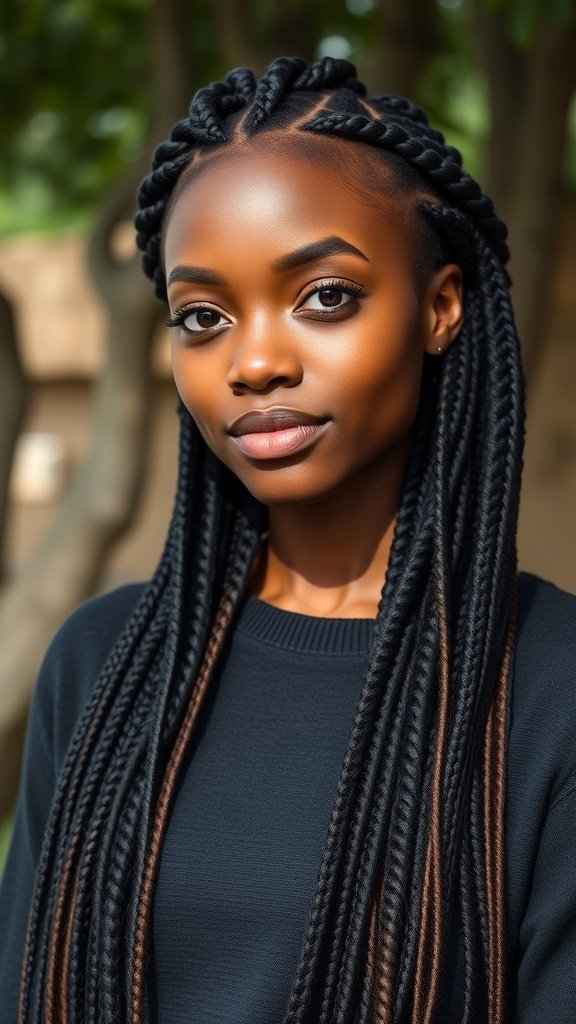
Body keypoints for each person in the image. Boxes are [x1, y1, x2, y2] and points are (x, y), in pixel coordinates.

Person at [1, 55, 575, 1024]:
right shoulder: (100, 665)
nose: (255, 360)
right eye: (204, 316)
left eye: (324, 297)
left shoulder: (548, 681)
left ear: (441, 307)